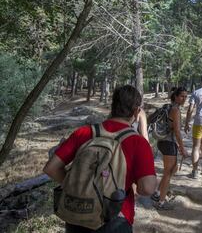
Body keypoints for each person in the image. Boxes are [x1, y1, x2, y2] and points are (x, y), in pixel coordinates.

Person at [43, 85, 157, 233]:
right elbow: (147, 188)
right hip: (115, 218)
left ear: (113, 106)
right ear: (136, 112)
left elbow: (51, 168)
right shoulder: (138, 142)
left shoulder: (84, 132)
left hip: (77, 214)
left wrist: (81, 188)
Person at [151, 87, 189, 210]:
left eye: (186, 96)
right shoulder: (175, 110)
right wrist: (182, 148)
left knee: (172, 169)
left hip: (163, 141)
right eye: (182, 96)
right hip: (168, 143)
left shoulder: (169, 107)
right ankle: (161, 202)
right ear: (176, 96)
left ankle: (157, 192)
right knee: (168, 172)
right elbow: (177, 131)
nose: (184, 99)